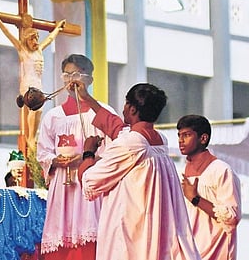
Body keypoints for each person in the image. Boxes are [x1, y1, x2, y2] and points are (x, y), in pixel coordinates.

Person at [77, 83, 201, 260]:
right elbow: (117, 127)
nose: (124, 108)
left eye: (126, 104)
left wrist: (88, 153)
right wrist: (87, 99)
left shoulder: (130, 144)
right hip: (152, 231)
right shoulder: (159, 141)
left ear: (133, 109)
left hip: (129, 234)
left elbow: (90, 181)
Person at [36, 54, 114, 260]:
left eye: (77, 74)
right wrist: (54, 160)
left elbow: (113, 150)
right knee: (61, 231)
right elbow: (43, 151)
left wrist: (86, 157)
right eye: (67, 74)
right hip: (62, 183)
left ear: (89, 79)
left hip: (89, 180)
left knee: (88, 232)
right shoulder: (53, 116)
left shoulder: (103, 112)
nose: (72, 80)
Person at [0, 9, 66, 151]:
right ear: (26, 40)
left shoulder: (39, 49)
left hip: (38, 83)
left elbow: (50, 39)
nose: (35, 41)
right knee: (33, 107)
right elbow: (8, 34)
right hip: (28, 86)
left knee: (40, 110)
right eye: (32, 39)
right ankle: (30, 138)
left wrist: (57, 28)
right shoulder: (22, 50)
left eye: (36, 38)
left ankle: (32, 135)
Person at [178, 115, 241, 260]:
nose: (181, 140)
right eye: (179, 135)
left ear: (203, 138)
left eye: (186, 135)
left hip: (215, 253)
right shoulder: (181, 171)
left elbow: (232, 218)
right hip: (188, 251)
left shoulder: (222, 170)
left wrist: (196, 199)